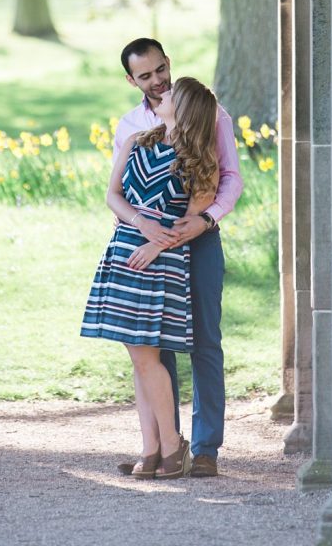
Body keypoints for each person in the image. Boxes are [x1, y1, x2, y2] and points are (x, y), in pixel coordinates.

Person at [112, 37, 243, 478]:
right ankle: (168, 444)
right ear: (131, 80)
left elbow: (229, 178)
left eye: (160, 70)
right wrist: (140, 226)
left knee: (205, 339)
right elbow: (120, 192)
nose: (157, 80)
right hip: (146, 242)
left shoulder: (209, 114)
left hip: (198, 237)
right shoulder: (130, 125)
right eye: (145, 75)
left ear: (168, 63)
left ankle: (206, 448)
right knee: (154, 342)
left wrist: (206, 219)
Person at [81, 77, 221, 479]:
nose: (162, 94)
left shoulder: (201, 161)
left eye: (172, 94)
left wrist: (156, 246)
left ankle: (171, 446)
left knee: (147, 357)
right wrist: (140, 224)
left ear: (187, 109)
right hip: (126, 249)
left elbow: (191, 223)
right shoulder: (136, 141)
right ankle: (153, 448)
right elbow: (113, 196)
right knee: (139, 358)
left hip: (161, 261)